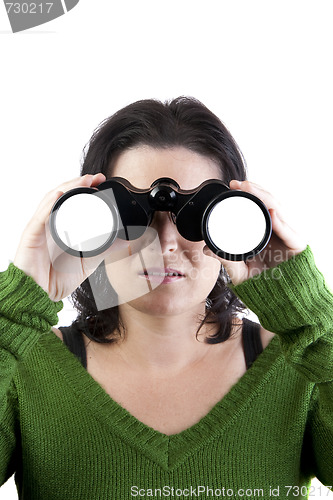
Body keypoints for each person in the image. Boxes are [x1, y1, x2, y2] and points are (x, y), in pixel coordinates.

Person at [0, 97, 332, 500]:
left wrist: (312, 319)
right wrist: (15, 308)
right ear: (94, 221)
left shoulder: (305, 368)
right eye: (132, 216)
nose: (166, 242)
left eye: (196, 217)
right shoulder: (21, 367)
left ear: (233, 220)